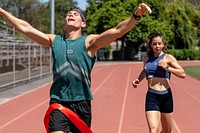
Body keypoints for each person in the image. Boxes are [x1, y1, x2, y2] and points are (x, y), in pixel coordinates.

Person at [0, 3, 152, 133]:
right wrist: (2, 11)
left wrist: (136, 15)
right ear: (65, 22)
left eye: (76, 14)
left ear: (83, 24)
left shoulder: (89, 42)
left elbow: (117, 31)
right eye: (69, 14)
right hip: (58, 102)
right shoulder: (54, 40)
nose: (71, 14)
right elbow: (26, 28)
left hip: (82, 103)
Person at [132, 32, 186, 133]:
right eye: (155, 44)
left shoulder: (168, 58)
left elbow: (182, 74)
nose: (157, 46)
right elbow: (145, 70)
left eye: (159, 43)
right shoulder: (147, 59)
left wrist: (167, 67)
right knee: (153, 130)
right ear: (150, 45)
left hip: (166, 96)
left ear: (163, 44)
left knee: (167, 131)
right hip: (152, 96)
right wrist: (138, 80)